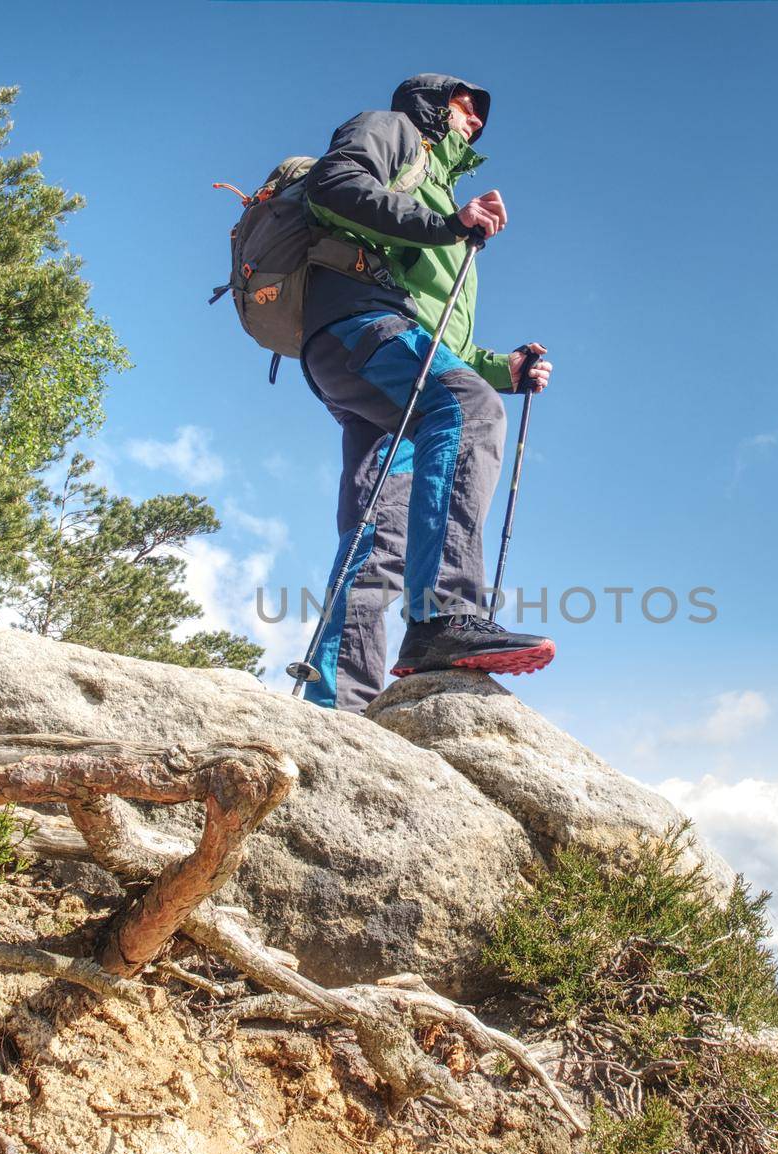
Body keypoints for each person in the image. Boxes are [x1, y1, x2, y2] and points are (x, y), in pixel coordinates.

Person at [297, 73, 555, 713]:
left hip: (382, 352)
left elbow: (444, 342)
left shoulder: (440, 198)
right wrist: (445, 223)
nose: (476, 124)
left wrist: (506, 369)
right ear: (438, 105)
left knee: (377, 537)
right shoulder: (394, 133)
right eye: (470, 109)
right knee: (468, 411)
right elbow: (333, 186)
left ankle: (337, 707)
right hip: (361, 325)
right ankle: (444, 616)